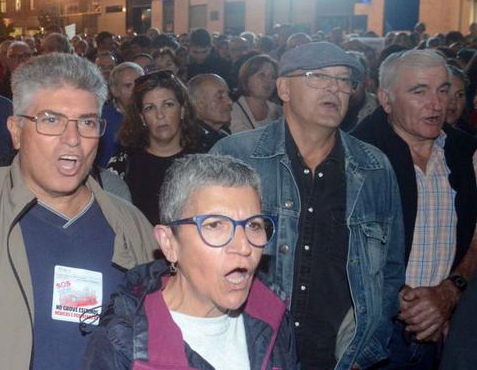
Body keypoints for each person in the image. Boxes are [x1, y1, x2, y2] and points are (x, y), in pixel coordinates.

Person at [0, 53, 156, 369]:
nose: (73, 140)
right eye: (51, 120)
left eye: (87, 122)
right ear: (15, 130)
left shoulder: (132, 227)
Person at [213, 42, 405, 370]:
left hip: (338, 358)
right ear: (284, 88)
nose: (335, 88)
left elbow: (390, 270)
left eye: (345, 80)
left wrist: (365, 346)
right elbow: (200, 258)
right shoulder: (235, 157)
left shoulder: (374, 168)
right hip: (248, 353)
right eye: (318, 76)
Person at [82, 154, 297, 369]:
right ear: (169, 244)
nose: (244, 246)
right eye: (215, 225)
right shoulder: (124, 345)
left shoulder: (274, 316)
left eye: (254, 225)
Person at [352, 50, 477, 368]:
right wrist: (411, 303)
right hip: (373, 333)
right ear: (386, 99)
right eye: (419, 91)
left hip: (446, 329)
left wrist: (450, 292)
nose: (437, 104)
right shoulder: (356, 157)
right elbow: (337, 246)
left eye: (443, 90)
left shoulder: (465, 153)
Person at [108, 70, 200, 224]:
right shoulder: (123, 163)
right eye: (150, 108)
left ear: (182, 110)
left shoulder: (204, 159)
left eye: (168, 105)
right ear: (142, 117)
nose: (160, 115)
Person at [97, 62, 144, 167]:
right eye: (128, 86)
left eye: (139, 84)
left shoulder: (152, 115)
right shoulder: (101, 118)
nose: (135, 90)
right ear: (114, 90)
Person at [230, 54, 282, 133]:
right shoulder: (232, 111)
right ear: (246, 78)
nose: (269, 81)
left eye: (273, 76)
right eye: (262, 75)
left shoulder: (278, 110)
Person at [188, 73, 232, 152]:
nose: (229, 102)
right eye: (220, 97)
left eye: (228, 95)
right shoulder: (193, 144)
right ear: (198, 106)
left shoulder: (224, 133)